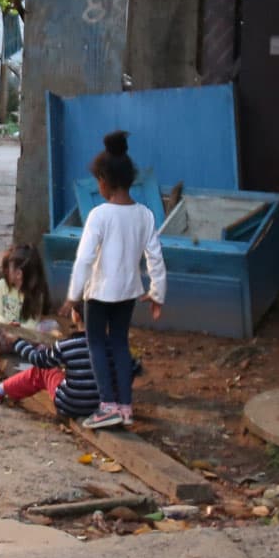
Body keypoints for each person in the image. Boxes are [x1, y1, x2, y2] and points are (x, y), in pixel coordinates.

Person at [61, 129, 165, 430]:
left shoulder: (99, 215)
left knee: (96, 343)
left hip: (99, 294)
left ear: (104, 181)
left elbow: (84, 259)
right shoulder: (144, 215)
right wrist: (157, 292)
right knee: (120, 343)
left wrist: (73, 294)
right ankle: (125, 407)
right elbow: (155, 257)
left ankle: (107, 405)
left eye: (97, 181)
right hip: (129, 293)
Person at [0, 244, 53, 378]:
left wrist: (17, 332)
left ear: (18, 274)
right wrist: (8, 328)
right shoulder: (2, 285)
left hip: (24, 342)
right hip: (3, 338)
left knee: (51, 326)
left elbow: (32, 323)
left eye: (9, 268)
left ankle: (37, 363)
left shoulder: (37, 293)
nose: (6, 271)